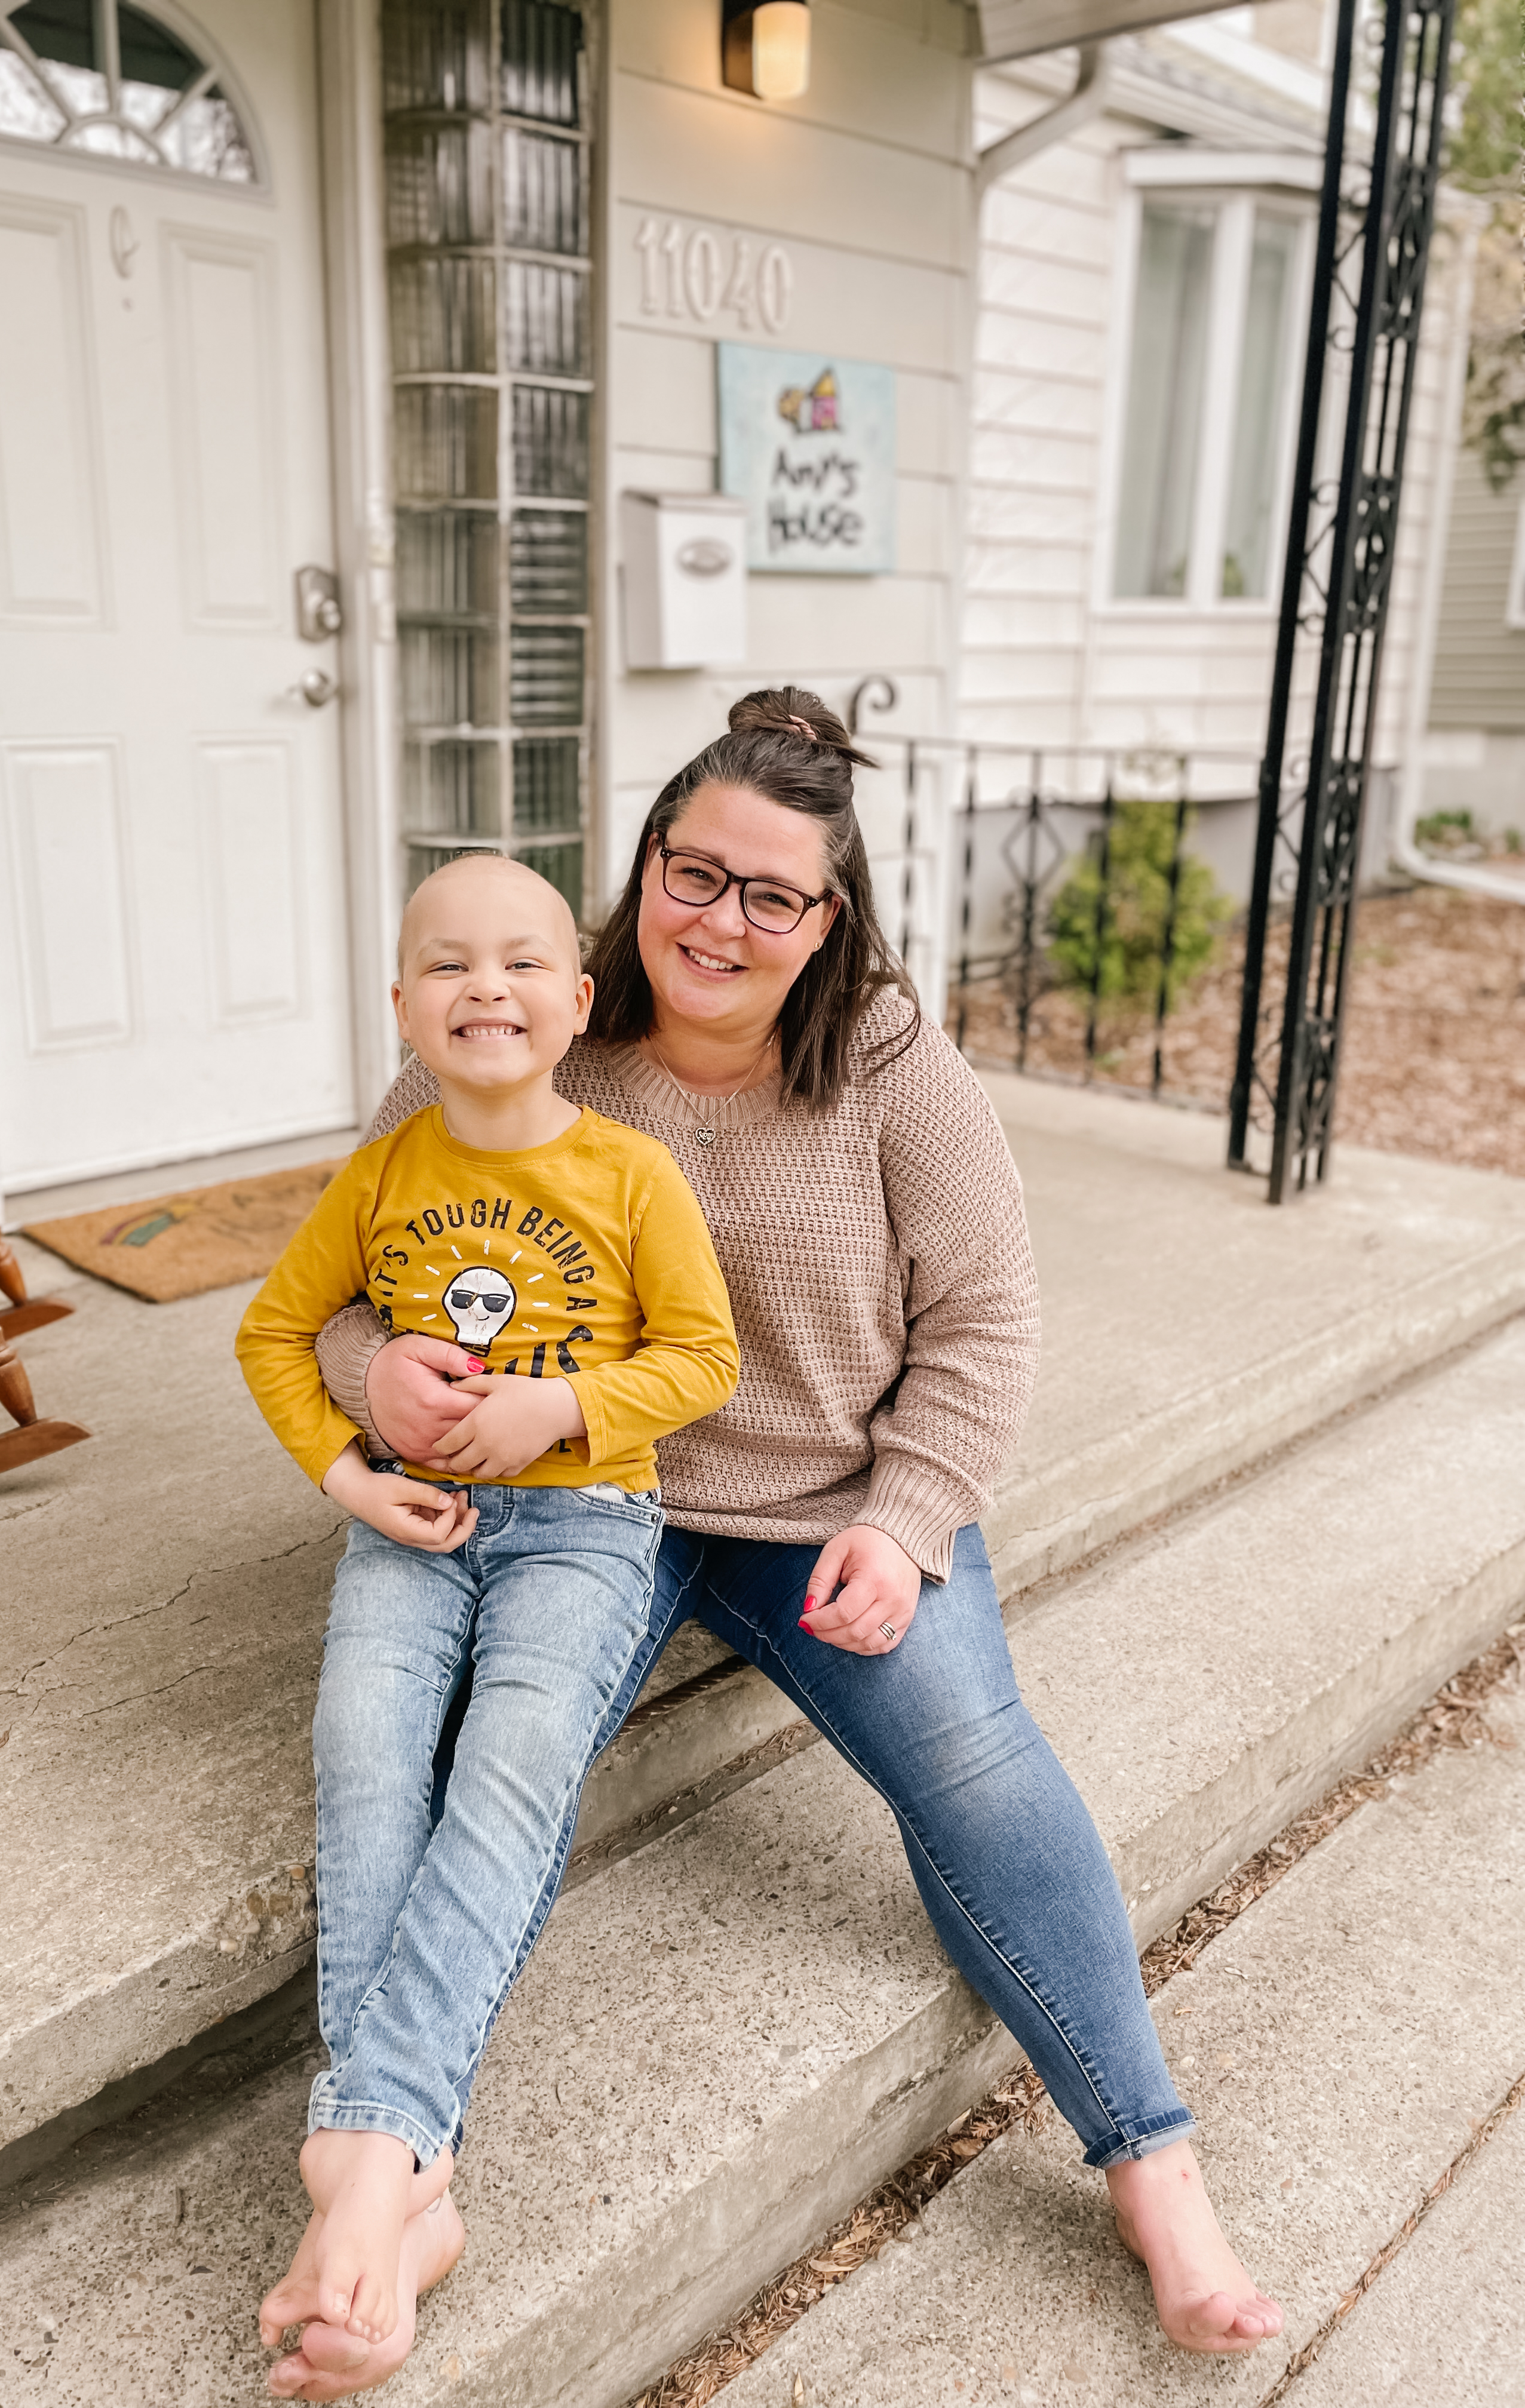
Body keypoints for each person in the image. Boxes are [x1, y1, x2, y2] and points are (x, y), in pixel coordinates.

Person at [265, 687, 1285, 2403]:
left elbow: (986, 1321)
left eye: (772, 896)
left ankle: (1152, 2170)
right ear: (643, 870)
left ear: (831, 920)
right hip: (567, 1496)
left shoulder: (889, 1060)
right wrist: (389, 1379)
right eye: (693, 874)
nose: (721, 922)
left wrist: (909, 1520)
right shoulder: (530, 1016)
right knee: (450, 1764)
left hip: (818, 1507)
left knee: (972, 1753)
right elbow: (351, 1284)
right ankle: (391, 2179)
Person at [235, 853, 739, 2381]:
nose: (486, 988)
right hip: (418, 1517)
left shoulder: (634, 1173)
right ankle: (404, 2178)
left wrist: (567, 1407)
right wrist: (346, 1479)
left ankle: (363, 2165)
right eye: (447, 966)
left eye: (524, 962)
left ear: (580, 1005)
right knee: (366, 1749)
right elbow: (273, 1329)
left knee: (512, 1766)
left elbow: (706, 1359)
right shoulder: (382, 1175)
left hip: (588, 1526)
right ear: (403, 1008)